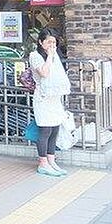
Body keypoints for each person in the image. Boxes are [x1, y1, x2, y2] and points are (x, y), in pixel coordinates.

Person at [29, 29, 71, 177]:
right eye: (49, 42)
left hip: (54, 98)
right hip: (42, 97)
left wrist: (53, 55)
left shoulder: (55, 56)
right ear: (41, 42)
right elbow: (44, 73)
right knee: (45, 130)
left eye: (54, 42)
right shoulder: (35, 56)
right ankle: (43, 163)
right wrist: (50, 57)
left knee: (55, 129)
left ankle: (51, 161)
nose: (52, 45)